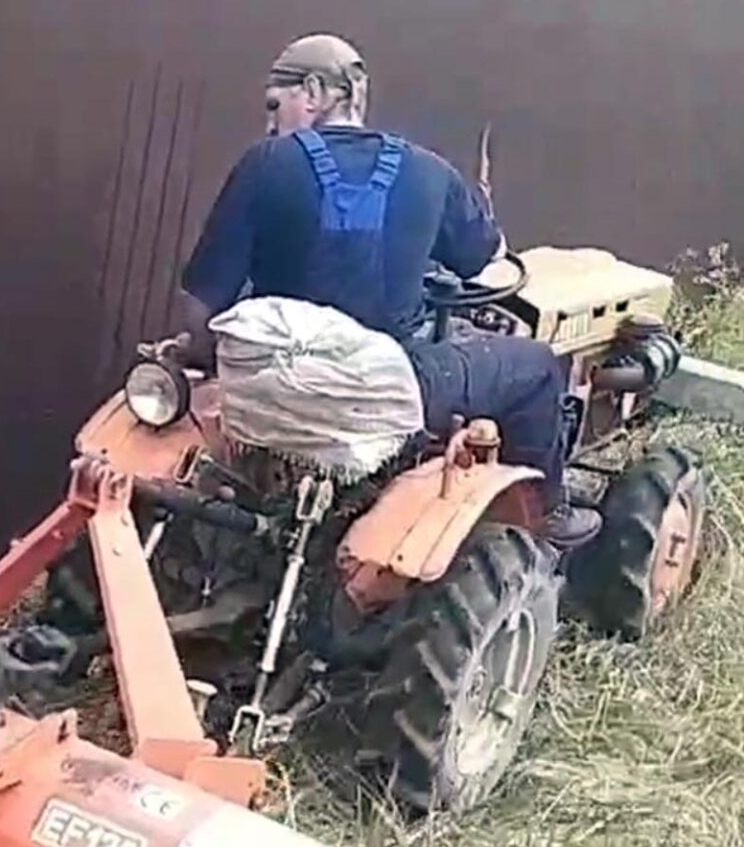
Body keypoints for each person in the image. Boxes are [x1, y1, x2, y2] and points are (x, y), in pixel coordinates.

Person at [171, 34, 600, 547]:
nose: (269, 122)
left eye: (274, 104)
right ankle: (546, 519)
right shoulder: (430, 171)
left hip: (278, 384)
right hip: (391, 387)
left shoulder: (265, 164)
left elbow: (202, 307)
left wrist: (199, 353)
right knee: (536, 366)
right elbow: (485, 261)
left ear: (313, 92)